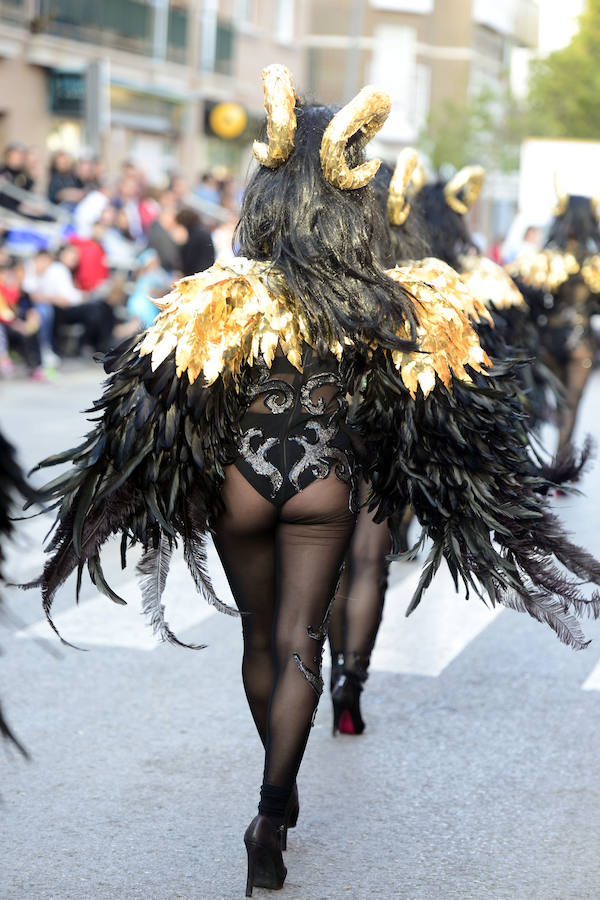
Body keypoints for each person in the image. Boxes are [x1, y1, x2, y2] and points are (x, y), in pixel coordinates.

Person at [29, 66, 600, 896]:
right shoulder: (387, 300)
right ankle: (269, 810)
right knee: (304, 638)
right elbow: (436, 405)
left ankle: (281, 778)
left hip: (240, 481)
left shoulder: (219, 295)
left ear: (267, 192)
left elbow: (154, 400)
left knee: (259, 639)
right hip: (328, 481)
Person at [507, 183, 600, 453]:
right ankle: (562, 460)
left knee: (551, 403)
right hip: (580, 340)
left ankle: (541, 460)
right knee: (570, 404)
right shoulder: (594, 263)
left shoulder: (544, 259)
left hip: (549, 338)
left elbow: (528, 298)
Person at [174, 207, 215, 276]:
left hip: (196, 275)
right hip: (207, 272)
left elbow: (189, 260)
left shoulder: (193, 236)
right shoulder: (203, 232)